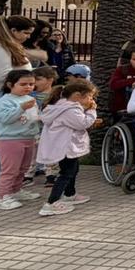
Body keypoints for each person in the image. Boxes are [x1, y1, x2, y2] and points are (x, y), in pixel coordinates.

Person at [0, 15, 35, 188]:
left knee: (11, 135)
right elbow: (4, 76)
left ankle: (10, 174)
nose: (28, 37)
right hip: (0, 95)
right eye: (25, 33)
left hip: (12, 95)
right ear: (13, 31)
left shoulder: (10, 47)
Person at [35, 79, 97, 217]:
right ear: (77, 95)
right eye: (89, 96)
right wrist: (92, 111)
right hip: (66, 147)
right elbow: (83, 123)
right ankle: (51, 203)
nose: (91, 100)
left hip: (63, 146)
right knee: (66, 173)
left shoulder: (61, 106)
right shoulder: (69, 110)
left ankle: (70, 194)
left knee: (72, 170)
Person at [0, 69, 41, 210]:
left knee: (23, 168)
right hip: (9, 140)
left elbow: (33, 117)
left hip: (28, 138)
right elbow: (5, 119)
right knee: (10, 170)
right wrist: (21, 108)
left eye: (31, 84)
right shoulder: (4, 101)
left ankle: (16, 190)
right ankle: (1, 197)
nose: (28, 87)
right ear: (10, 84)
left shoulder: (30, 99)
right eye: (23, 84)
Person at [109, 46, 135, 114]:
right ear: (130, 60)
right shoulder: (122, 70)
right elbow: (113, 84)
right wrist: (131, 81)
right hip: (124, 110)